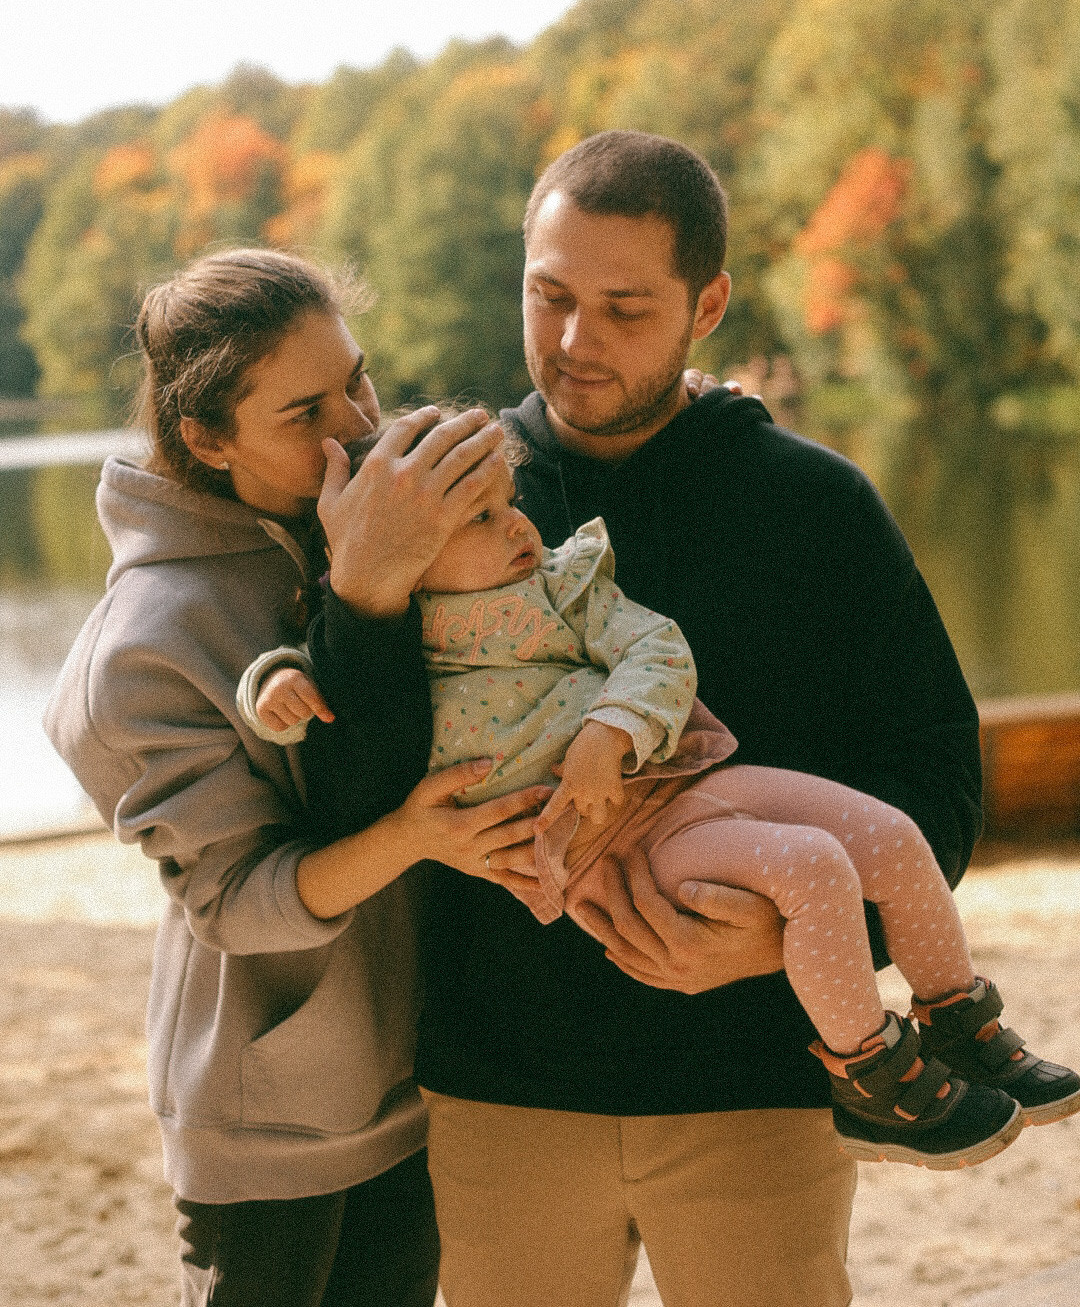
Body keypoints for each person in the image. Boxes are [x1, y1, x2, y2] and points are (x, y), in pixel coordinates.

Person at [294, 131, 1001, 1307]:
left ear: (708, 302)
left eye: (625, 307)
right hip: (501, 1089)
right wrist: (362, 597)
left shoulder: (817, 508)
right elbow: (347, 797)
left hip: (759, 1086)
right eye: (551, 296)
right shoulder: (430, 503)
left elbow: (932, 781)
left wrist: (804, 944)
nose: (576, 342)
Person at [242, 452, 1078, 1173]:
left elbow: (657, 647)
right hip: (621, 848)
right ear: (408, 554)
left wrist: (612, 728)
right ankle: (870, 1079)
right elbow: (325, 682)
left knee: (892, 837)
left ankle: (955, 1019)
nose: (517, 525)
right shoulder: (391, 638)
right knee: (815, 868)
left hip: (689, 772)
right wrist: (274, 685)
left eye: (511, 501)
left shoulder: (564, 584)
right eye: (482, 519)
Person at [42, 247, 552, 1307]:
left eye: (359, 378)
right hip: (267, 1108)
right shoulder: (146, 647)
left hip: (416, 1069)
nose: (358, 425)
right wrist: (416, 834)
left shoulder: (358, 517)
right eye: (304, 409)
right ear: (205, 438)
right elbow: (235, 904)